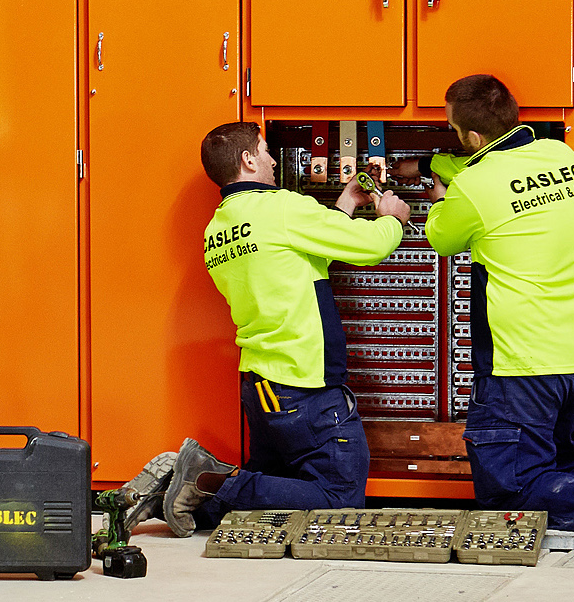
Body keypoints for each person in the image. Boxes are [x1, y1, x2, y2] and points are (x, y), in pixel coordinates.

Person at [389, 74, 574, 539]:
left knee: (512, 496)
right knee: (560, 477)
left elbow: (440, 237)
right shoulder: (562, 156)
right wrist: (441, 164)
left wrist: (442, 192)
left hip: (522, 368)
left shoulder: (471, 186)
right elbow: (492, 174)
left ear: (470, 138)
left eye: (453, 131)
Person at [119, 121, 412, 537]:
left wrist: (345, 202)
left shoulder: (217, 230)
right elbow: (371, 246)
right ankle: (209, 478)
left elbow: (299, 258)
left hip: (262, 387)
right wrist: (393, 219)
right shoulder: (282, 207)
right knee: (339, 499)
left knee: (266, 505)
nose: (275, 160)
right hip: (304, 382)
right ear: (248, 159)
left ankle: (176, 487)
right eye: (266, 150)